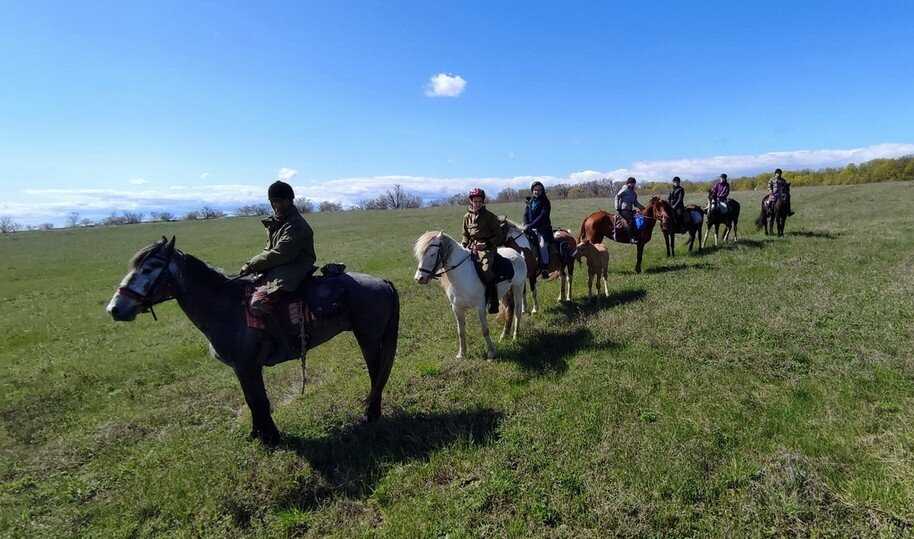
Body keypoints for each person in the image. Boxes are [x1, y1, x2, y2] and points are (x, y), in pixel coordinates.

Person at [240, 180, 317, 356]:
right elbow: (270, 250)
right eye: (274, 201)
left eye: (281, 201)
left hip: (294, 266)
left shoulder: (296, 225)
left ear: (290, 200)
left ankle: (287, 342)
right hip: (279, 265)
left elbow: (281, 253)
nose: (277, 205)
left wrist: (252, 264)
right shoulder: (277, 222)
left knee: (259, 302)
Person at [462, 188, 504, 314]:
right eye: (475, 201)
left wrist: (486, 244)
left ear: (483, 201)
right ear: (471, 201)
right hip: (471, 247)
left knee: (486, 270)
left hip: (487, 248)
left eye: (480, 201)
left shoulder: (490, 217)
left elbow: (499, 236)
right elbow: (465, 233)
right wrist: (464, 244)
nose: (477, 203)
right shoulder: (466, 217)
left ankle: (493, 301)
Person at [523, 180, 553, 278]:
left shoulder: (545, 202)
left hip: (543, 229)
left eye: (539, 190)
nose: (537, 191)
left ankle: (545, 267)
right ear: (532, 190)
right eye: (535, 190)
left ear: (542, 191)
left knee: (542, 245)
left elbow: (542, 216)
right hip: (530, 228)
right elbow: (526, 214)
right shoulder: (530, 201)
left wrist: (530, 225)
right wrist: (525, 224)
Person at [615, 177, 644, 243]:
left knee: (639, 217)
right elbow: (617, 196)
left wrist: (643, 208)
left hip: (630, 210)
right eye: (631, 183)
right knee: (630, 221)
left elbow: (636, 203)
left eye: (634, 184)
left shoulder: (633, 193)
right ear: (628, 183)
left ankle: (638, 235)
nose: (633, 185)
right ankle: (631, 238)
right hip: (623, 210)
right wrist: (617, 207)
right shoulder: (624, 189)